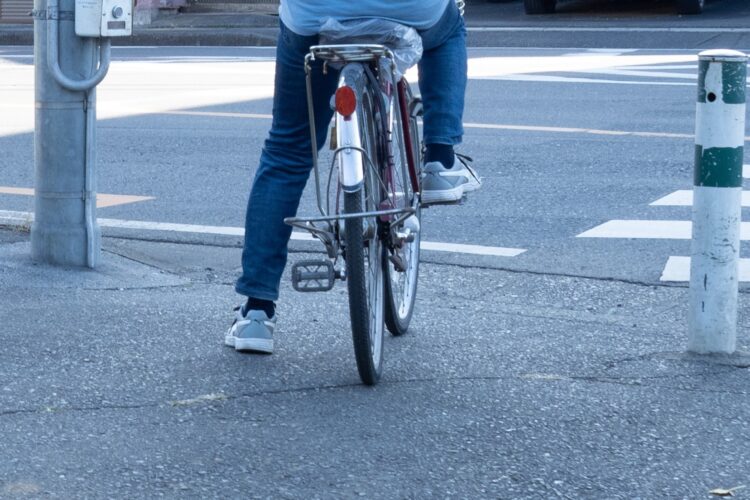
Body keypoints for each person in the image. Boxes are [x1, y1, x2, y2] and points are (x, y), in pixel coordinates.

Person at [225, 0, 480, 354]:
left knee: (288, 150)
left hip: (315, 14)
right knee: (450, 30)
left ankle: (257, 312)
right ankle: (439, 157)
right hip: (410, 7)